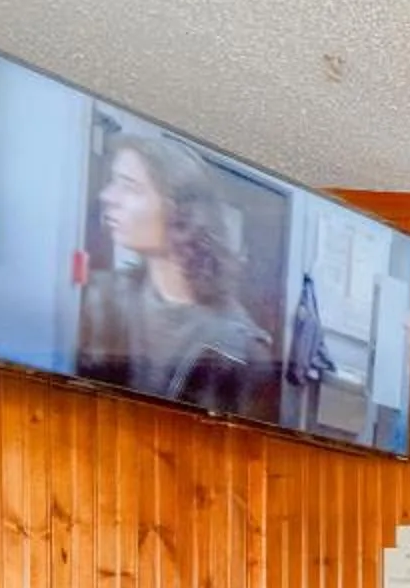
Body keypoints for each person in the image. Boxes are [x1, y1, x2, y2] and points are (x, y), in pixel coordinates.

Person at [75, 131, 274, 417]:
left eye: (129, 186)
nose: (107, 196)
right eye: (112, 183)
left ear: (176, 211)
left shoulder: (242, 349)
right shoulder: (99, 299)